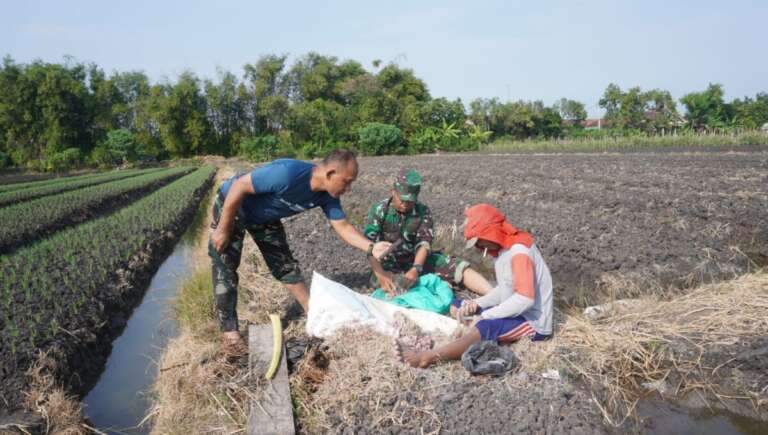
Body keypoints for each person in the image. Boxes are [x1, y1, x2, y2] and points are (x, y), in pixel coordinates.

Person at [209, 150, 391, 353]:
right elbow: (239, 185)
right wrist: (223, 228)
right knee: (225, 264)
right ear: (330, 173)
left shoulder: (327, 197)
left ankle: (311, 311)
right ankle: (230, 333)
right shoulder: (288, 174)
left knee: (284, 264)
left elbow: (343, 227)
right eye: (347, 182)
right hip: (234, 204)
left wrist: (371, 247)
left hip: (264, 217)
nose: (348, 189)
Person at [401, 203, 553, 368]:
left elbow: (525, 299)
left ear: (491, 233)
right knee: (457, 305)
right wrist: (477, 304)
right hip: (513, 310)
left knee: (485, 326)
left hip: (531, 320)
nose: (481, 247)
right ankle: (470, 328)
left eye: (481, 241)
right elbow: (505, 289)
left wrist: (486, 315)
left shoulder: (519, 253)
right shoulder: (503, 251)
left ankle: (429, 357)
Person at [363, 168, 492, 296]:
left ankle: (493, 294)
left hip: (415, 259)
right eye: (402, 200)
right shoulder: (379, 210)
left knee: (456, 266)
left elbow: (424, 243)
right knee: (390, 284)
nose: (405, 204)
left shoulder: (423, 212)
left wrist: (416, 268)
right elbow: (369, 247)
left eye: (410, 201)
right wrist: (380, 274)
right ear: (393, 192)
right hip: (388, 262)